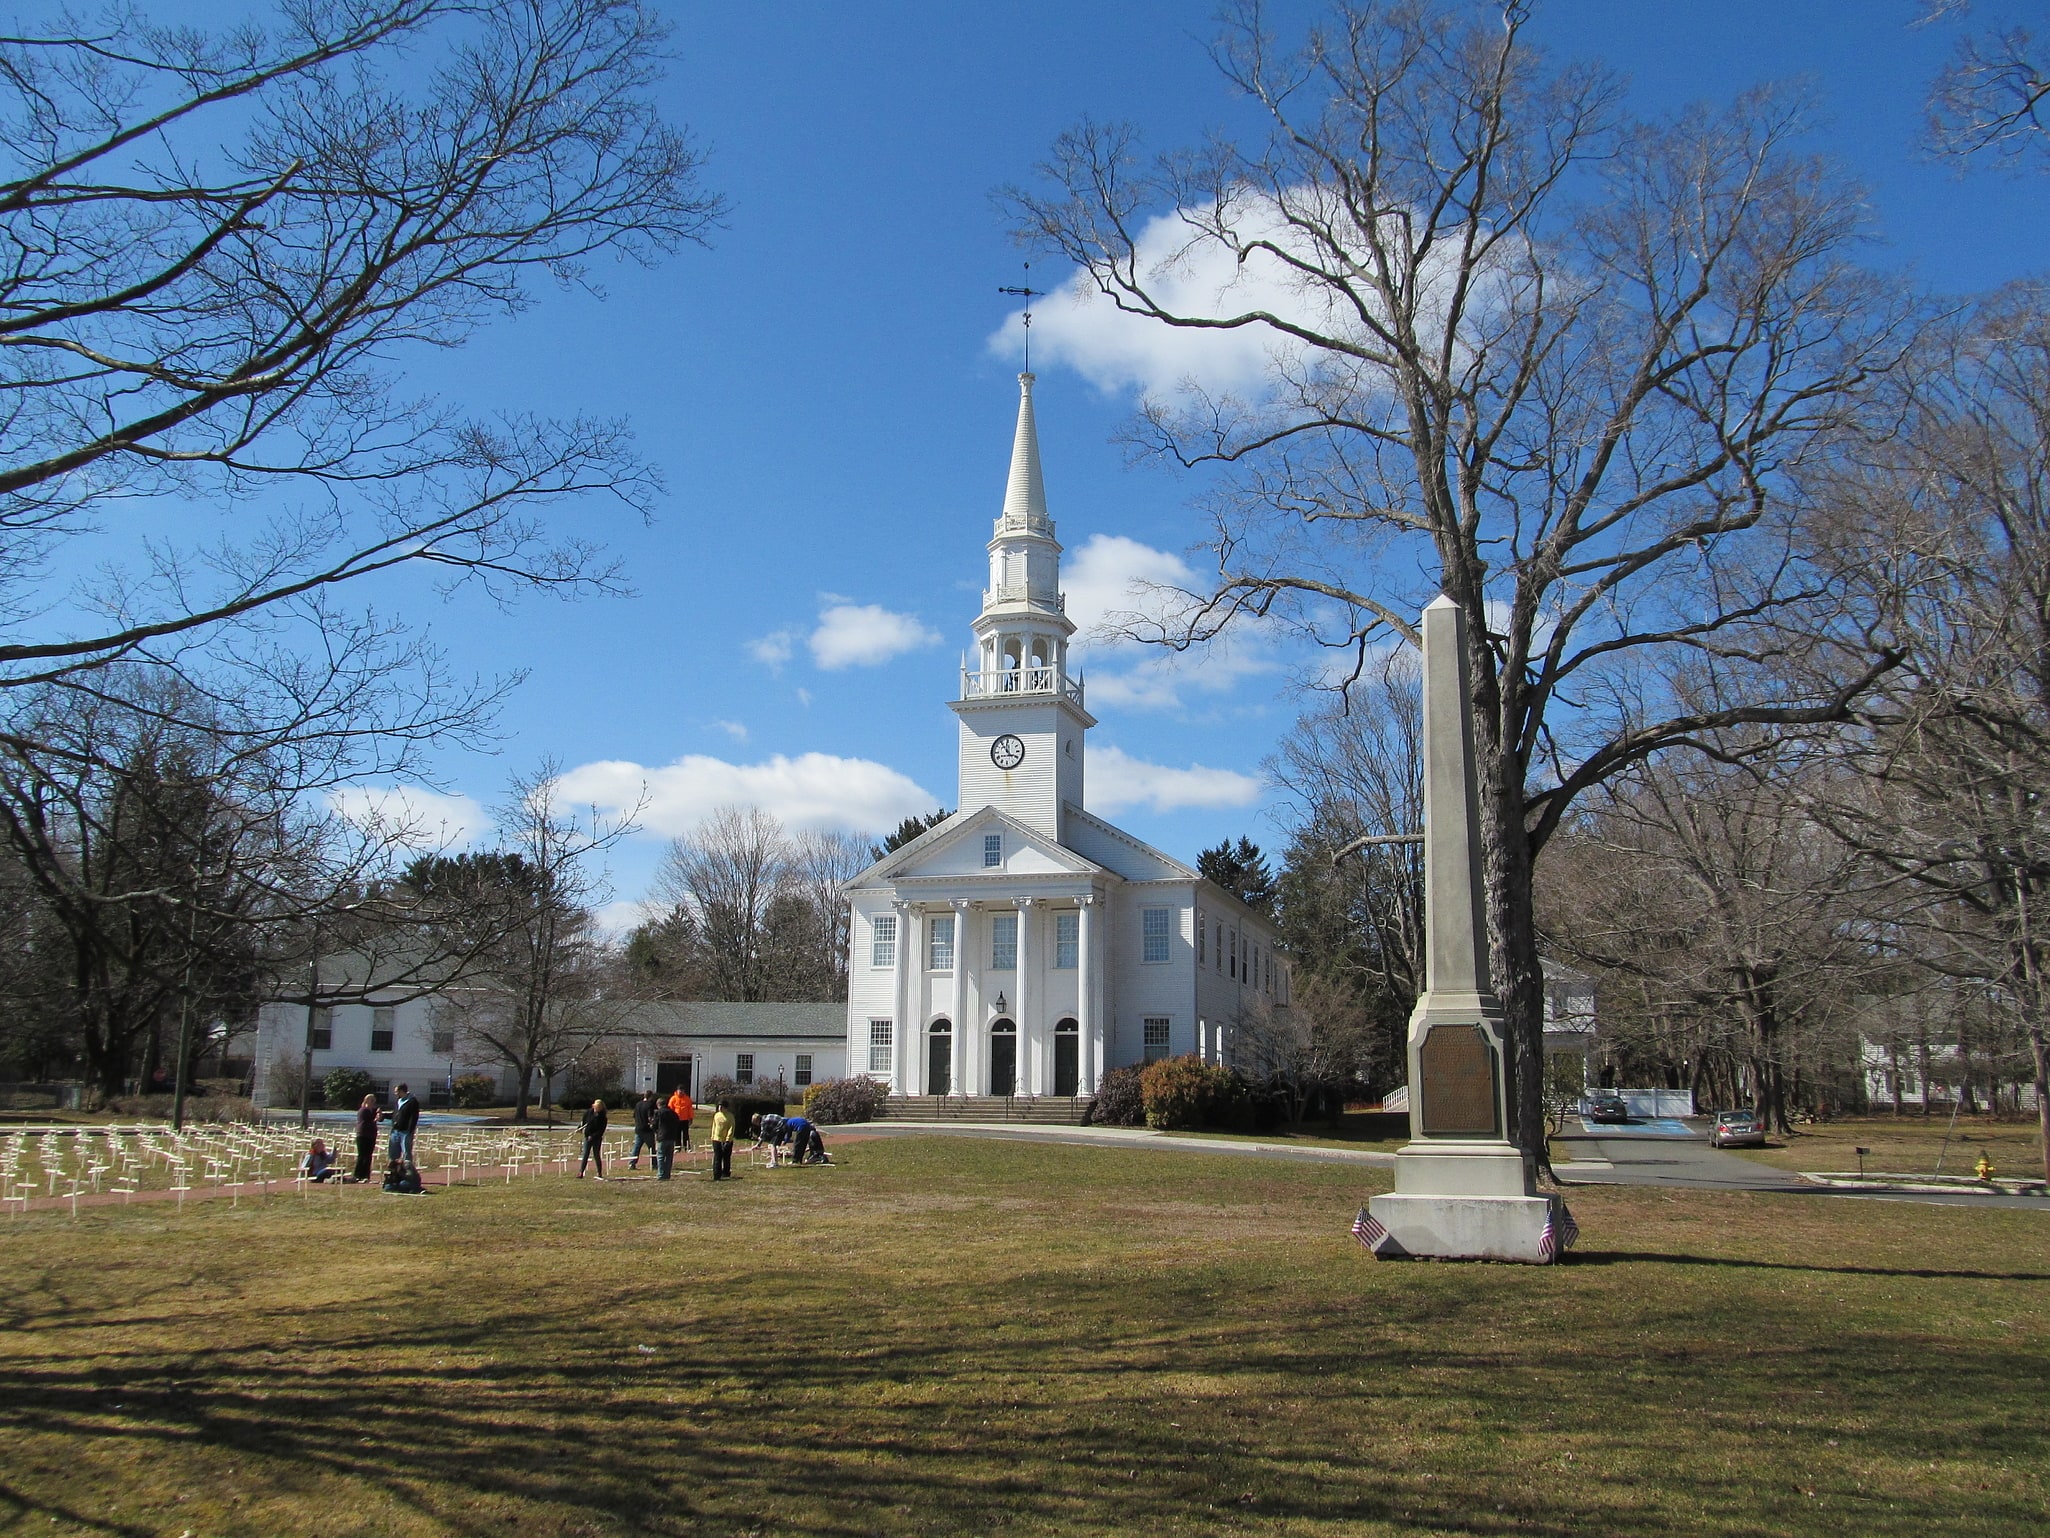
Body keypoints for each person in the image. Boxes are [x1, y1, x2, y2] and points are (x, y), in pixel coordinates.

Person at [388, 1082, 420, 1165]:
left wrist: (410, 1130)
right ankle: (393, 1171)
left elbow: (414, 1117)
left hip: (405, 1132)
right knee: (393, 1153)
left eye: (397, 1091)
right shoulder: (398, 1101)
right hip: (395, 1131)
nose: (395, 1094)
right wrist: (383, 1116)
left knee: (406, 1152)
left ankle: (407, 1171)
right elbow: (394, 1114)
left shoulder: (412, 1101)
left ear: (402, 1091)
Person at [654, 1095, 684, 1180]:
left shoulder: (658, 1113)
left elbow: (655, 1125)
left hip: (662, 1136)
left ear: (658, 1105)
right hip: (671, 1137)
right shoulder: (673, 1113)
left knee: (660, 1156)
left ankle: (661, 1174)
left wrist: (655, 1131)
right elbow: (678, 1123)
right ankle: (667, 1174)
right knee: (669, 1157)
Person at [352, 1092, 381, 1182]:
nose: (373, 1103)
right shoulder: (363, 1110)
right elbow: (367, 1122)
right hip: (363, 1135)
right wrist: (376, 1118)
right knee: (362, 1155)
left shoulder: (372, 1111)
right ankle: (358, 1174)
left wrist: (379, 1114)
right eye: (371, 1101)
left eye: (374, 1101)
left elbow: (378, 1116)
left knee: (368, 1156)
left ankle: (366, 1175)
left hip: (371, 1135)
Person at [577, 1098, 608, 1179]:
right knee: (585, 1154)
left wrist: (593, 1136)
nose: (596, 1110)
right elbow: (583, 1122)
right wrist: (579, 1128)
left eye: (598, 1109)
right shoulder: (588, 1113)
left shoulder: (603, 1118)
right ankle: (581, 1172)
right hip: (587, 1137)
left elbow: (601, 1130)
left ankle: (599, 1172)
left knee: (596, 1155)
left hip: (596, 1139)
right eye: (595, 1108)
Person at [628, 1091, 657, 1169]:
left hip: (638, 1128)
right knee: (651, 1148)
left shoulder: (638, 1104)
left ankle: (632, 1163)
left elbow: (634, 1115)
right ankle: (654, 1164)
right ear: (650, 1097)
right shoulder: (649, 1105)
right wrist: (653, 1124)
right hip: (647, 1130)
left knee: (636, 1147)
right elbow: (650, 1117)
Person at [710, 1098, 736, 1180]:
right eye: (719, 1106)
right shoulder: (716, 1115)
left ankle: (726, 1172)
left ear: (726, 1108)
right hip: (716, 1139)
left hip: (726, 1140)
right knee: (717, 1157)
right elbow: (714, 1126)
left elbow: (731, 1128)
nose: (720, 1108)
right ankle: (716, 1174)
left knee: (726, 1157)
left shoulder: (730, 1116)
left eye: (722, 1107)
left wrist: (728, 1139)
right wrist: (713, 1136)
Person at [668, 1085, 696, 1150]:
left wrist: (691, 1118)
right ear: (677, 1091)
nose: (681, 1092)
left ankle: (687, 1147)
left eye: (682, 1090)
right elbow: (670, 1109)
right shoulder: (673, 1099)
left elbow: (690, 1109)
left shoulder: (687, 1099)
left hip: (685, 1119)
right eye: (680, 1090)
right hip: (676, 1120)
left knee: (686, 1134)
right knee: (677, 1134)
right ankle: (677, 1147)